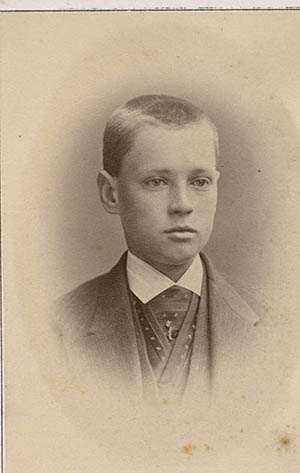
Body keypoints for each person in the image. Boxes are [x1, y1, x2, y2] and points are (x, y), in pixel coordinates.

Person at [53, 94, 261, 410]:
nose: (182, 204)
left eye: (200, 181)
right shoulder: (56, 328)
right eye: (156, 181)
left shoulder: (277, 328)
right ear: (111, 194)